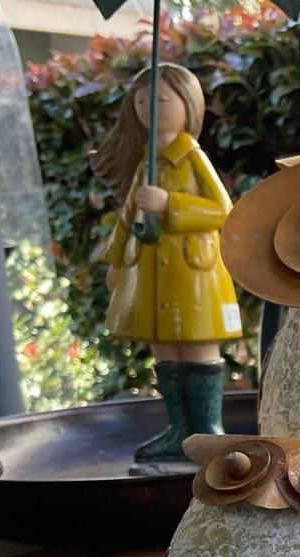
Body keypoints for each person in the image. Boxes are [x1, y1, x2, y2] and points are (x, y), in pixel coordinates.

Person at [92, 64, 242, 463]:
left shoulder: (191, 156)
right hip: (150, 272)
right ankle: (179, 428)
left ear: (187, 104)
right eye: (141, 101)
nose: (148, 108)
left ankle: (207, 429)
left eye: (159, 99)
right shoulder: (148, 161)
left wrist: (170, 203)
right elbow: (128, 214)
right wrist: (116, 259)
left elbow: (222, 211)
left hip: (191, 272)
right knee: (164, 348)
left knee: (195, 344)